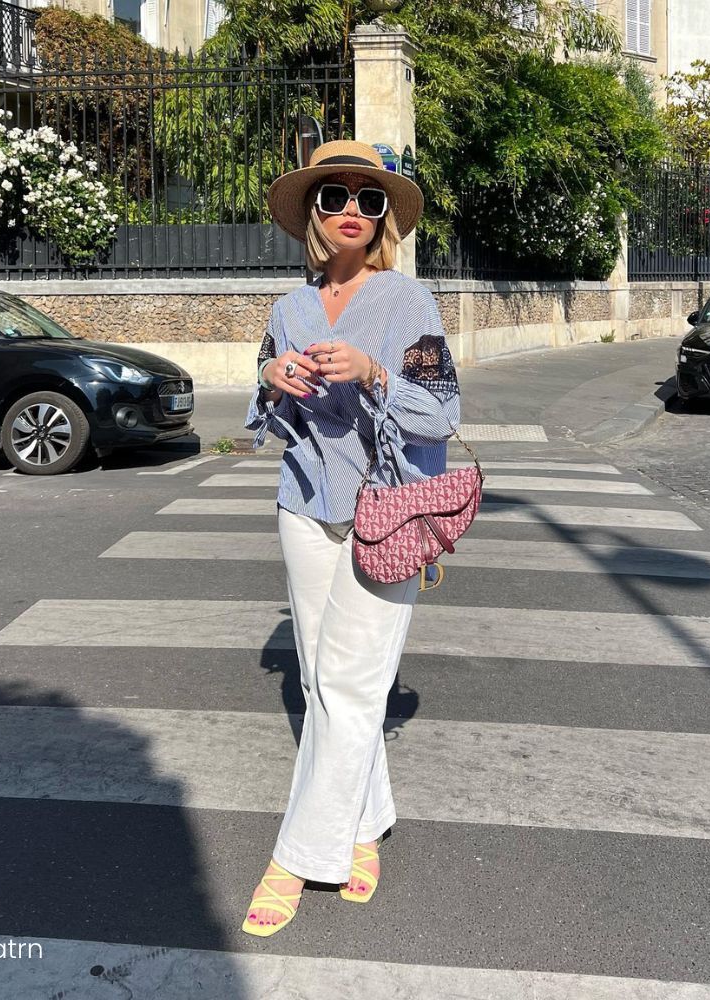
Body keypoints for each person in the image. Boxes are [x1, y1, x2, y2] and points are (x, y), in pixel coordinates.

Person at [242, 140, 461, 936]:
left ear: (383, 218)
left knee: (352, 682)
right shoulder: (289, 310)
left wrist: (374, 373)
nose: (351, 211)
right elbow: (266, 414)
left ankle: (296, 857)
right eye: (334, 196)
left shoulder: (409, 302)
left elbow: (442, 412)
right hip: (304, 504)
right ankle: (366, 823)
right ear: (312, 210)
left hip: (387, 509)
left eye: (369, 200)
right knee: (320, 679)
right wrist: (272, 382)